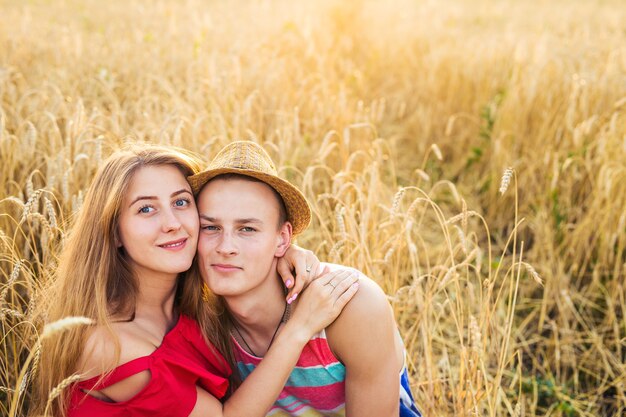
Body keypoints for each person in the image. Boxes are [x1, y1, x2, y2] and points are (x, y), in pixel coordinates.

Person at [32, 144, 359, 417]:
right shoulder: (110, 343)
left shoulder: (192, 301)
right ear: (115, 231)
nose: (172, 223)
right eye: (146, 209)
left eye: (181, 202)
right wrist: (299, 328)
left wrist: (282, 250)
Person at [190, 141, 423, 416]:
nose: (225, 246)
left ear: (283, 239)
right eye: (211, 227)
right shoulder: (200, 321)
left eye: (248, 229)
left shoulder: (350, 305)